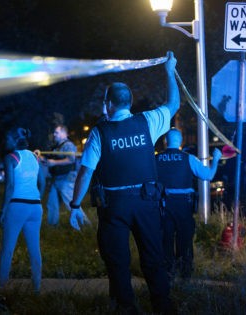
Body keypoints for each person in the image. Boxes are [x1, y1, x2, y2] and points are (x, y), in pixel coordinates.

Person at [70, 51, 179, 314]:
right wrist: (169, 70)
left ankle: (127, 308)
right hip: (147, 202)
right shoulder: (148, 121)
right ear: (129, 102)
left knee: (117, 260)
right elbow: (174, 104)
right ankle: (162, 306)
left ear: (108, 104)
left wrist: (75, 205)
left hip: (114, 206)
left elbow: (85, 173)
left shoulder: (100, 133)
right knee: (153, 257)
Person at [156, 128, 222, 280]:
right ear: (181, 142)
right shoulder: (189, 158)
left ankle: (168, 276)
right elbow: (209, 175)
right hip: (184, 207)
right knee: (184, 241)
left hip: (163, 206)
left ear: (165, 142)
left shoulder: (157, 159)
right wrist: (216, 158)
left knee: (165, 241)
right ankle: (185, 277)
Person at [0, 127, 45, 293]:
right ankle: (37, 288)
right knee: (34, 249)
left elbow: (9, 186)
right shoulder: (34, 157)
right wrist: (37, 198)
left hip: (17, 205)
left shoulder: (10, 158)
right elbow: (42, 182)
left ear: (15, 140)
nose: (5, 141)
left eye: (8, 138)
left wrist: (2, 211)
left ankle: (1, 287)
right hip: (35, 206)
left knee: (7, 249)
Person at [44, 125, 88, 226]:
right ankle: (52, 226)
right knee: (52, 204)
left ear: (64, 133)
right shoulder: (57, 146)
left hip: (66, 178)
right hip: (57, 178)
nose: (54, 134)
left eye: (57, 132)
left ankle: (84, 225)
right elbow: (52, 160)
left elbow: (71, 159)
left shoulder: (68, 145)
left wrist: (54, 163)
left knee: (72, 204)